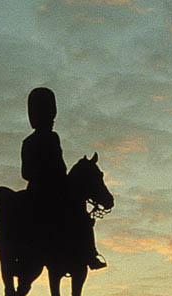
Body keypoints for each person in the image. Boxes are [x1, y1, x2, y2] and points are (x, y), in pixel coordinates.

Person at [20, 87, 106, 270]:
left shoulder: (41, 139)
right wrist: (52, 176)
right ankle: (90, 253)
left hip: (46, 187)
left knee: (80, 213)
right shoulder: (43, 139)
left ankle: (87, 254)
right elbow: (28, 172)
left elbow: (31, 171)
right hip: (44, 191)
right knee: (82, 218)